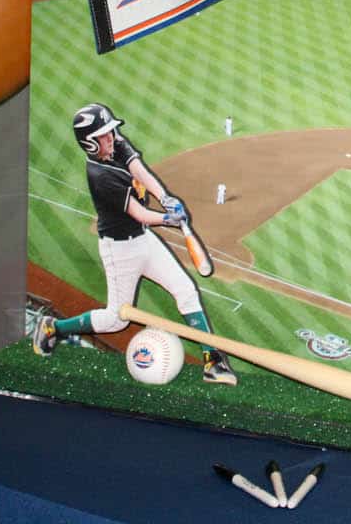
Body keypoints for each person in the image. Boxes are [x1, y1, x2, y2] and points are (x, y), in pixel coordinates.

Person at [31, 103, 237, 384]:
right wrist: (169, 218)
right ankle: (54, 327)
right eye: (104, 135)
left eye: (110, 131)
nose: (112, 137)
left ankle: (212, 361)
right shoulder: (100, 175)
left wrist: (165, 197)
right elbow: (139, 213)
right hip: (120, 251)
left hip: (143, 240)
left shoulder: (116, 145)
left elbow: (140, 171)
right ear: (90, 144)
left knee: (186, 290)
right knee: (116, 320)